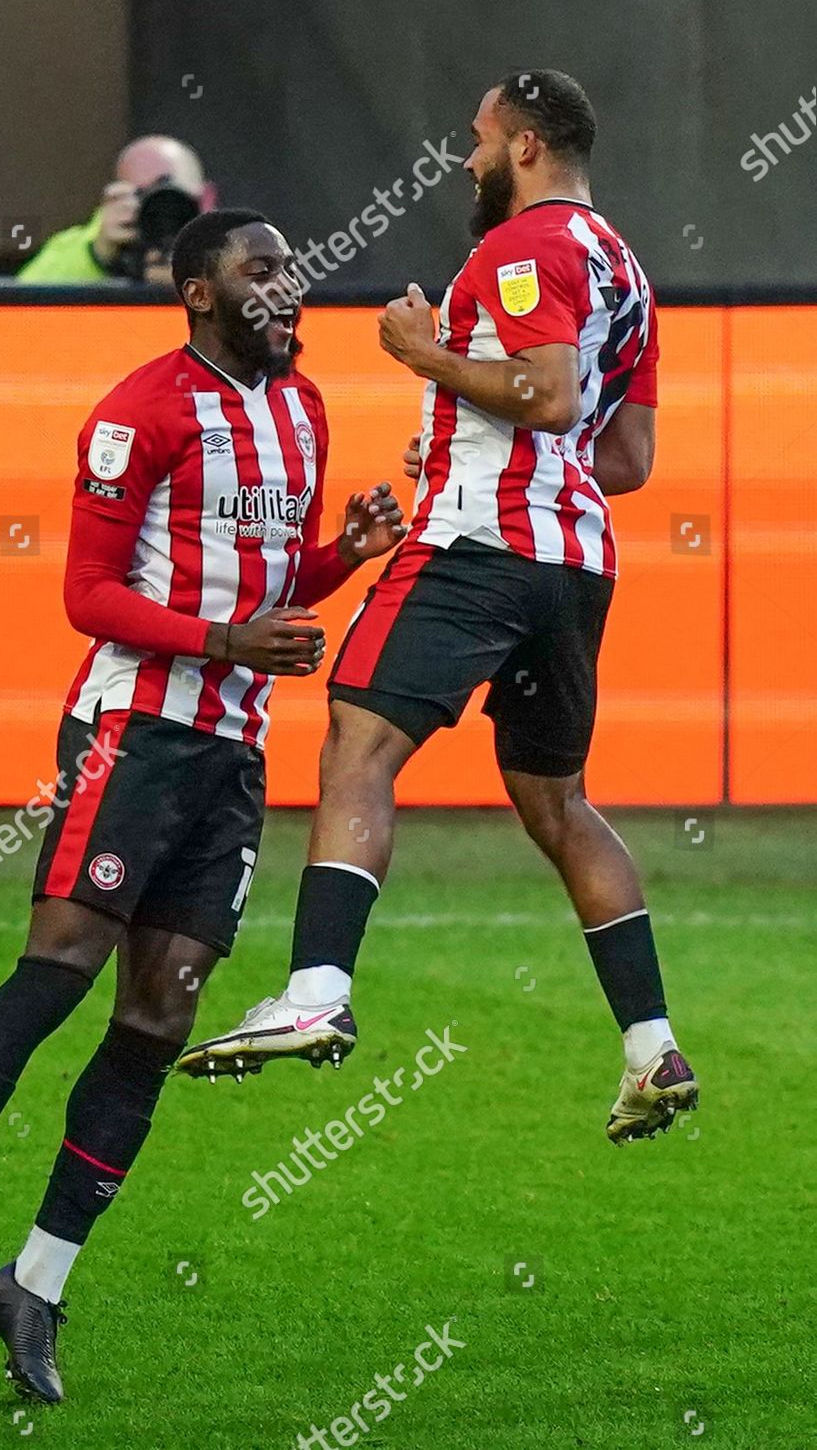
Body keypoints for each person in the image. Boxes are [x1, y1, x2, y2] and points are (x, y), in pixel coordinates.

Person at [0, 209, 404, 1403]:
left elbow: (263, 585)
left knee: (159, 1015)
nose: (283, 289)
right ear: (198, 294)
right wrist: (220, 638)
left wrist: (340, 557)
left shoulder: (301, 411)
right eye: (259, 271)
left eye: (289, 271)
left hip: (232, 754)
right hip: (131, 732)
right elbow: (87, 593)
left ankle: (34, 1284)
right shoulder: (136, 412)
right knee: (59, 964)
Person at [178, 71, 700, 1147]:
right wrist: (469, 432)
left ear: (522, 148)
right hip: (573, 560)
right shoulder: (624, 266)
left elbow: (545, 394)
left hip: (477, 545)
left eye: (476, 141)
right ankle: (649, 1046)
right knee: (557, 804)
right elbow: (623, 456)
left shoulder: (522, 248)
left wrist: (422, 357)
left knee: (358, 741)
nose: (462, 160)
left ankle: (317, 988)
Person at [17, 135, 217, 284]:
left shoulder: (234, 248)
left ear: (206, 199)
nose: (160, 210)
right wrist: (98, 256)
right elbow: (21, 308)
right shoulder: (87, 246)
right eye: (143, 196)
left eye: (172, 196)